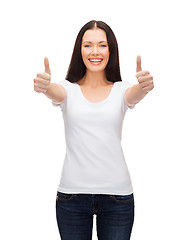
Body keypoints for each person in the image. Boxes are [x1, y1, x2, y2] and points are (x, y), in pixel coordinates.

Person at [33, 20, 154, 240]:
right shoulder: (67, 90)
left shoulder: (122, 90)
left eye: (102, 45)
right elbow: (54, 91)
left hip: (118, 198)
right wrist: (44, 87)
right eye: (88, 45)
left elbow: (134, 93)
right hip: (72, 197)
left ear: (111, 50)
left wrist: (144, 87)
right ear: (79, 50)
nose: (95, 51)